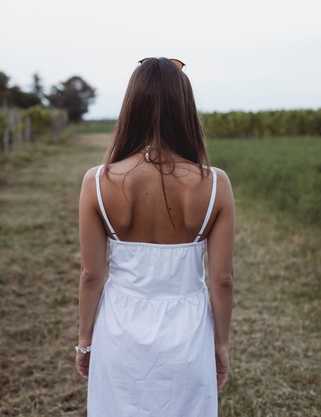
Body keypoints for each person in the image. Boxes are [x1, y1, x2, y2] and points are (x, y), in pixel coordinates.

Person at [76, 57, 234, 417]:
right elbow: (222, 280)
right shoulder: (215, 185)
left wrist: (85, 342)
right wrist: (221, 344)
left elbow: (91, 276)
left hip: (119, 334)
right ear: (185, 108)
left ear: (131, 106)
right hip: (188, 336)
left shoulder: (97, 182)